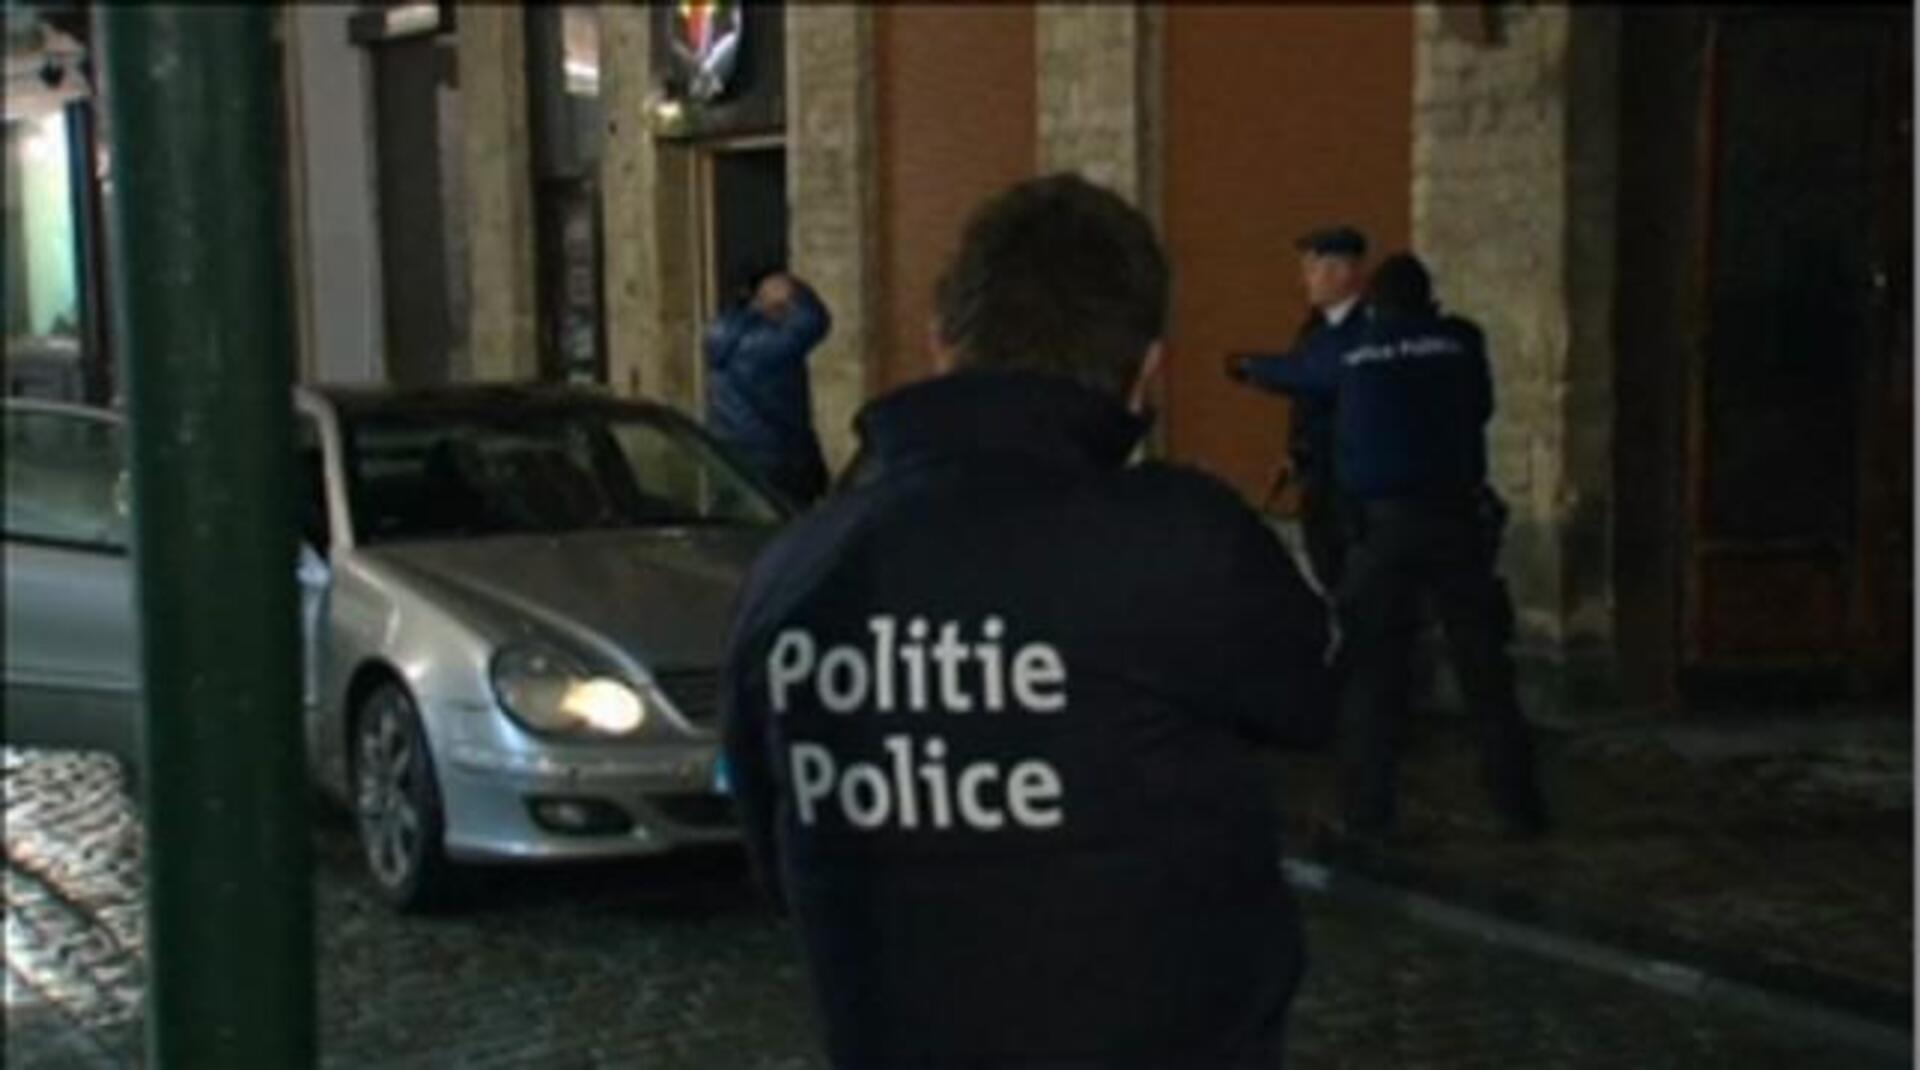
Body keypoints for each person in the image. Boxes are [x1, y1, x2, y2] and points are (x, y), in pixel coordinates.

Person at [721, 174, 1336, 1069]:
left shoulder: (793, 571)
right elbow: (1311, 696)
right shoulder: (1181, 538)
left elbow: (771, 843)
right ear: (1148, 371)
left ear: (941, 341)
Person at [1229, 252, 1548, 847]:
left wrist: (1244, 368)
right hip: (1457, 523)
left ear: (1374, 302)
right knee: (1486, 671)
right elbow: (1481, 407)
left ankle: (1367, 813)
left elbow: (1298, 376)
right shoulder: (1460, 343)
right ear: (1430, 299)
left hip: (1383, 531)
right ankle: (1519, 804)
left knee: (1372, 673)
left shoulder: (1353, 351)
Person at [1227, 225, 1372, 593]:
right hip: (1317, 469)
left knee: (1351, 570)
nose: (1303, 280)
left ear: (1342, 272)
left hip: (1350, 473)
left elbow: (1315, 376)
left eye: (1312, 269)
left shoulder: (1364, 328)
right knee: (1323, 558)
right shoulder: (1317, 330)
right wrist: (1295, 449)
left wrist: (1252, 368)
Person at [703, 269, 833, 508]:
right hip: (775, 453)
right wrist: (797, 292)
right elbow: (816, 321)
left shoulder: (721, 335)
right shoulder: (768, 346)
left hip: (729, 454)